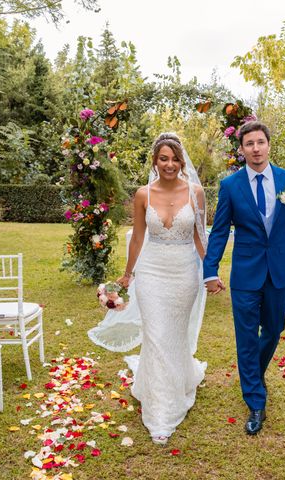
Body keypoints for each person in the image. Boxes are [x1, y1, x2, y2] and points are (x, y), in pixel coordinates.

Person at [203, 121, 285, 435]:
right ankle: (255, 401)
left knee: (275, 327)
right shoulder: (230, 186)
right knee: (247, 336)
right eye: (249, 143)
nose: (255, 148)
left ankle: (253, 373)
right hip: (245, 274)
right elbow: (220, 231)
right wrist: (210, 270)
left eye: (260, 142)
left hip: (279, 271)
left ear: (268, 145)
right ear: (241, 149)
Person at [112, 133, 207, 445]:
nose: (169, 164)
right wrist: (128, 275)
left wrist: (212, 272)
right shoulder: (143, 194)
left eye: (174, 159)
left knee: (174, 335)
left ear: (182, 161)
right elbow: (138, 238)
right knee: (154, 334)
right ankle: (160, 413)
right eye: (163, 158)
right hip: (151, 272)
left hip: (184, 273)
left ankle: (177, 381)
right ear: (155, 161)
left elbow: (200, 237)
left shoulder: (196, 192)